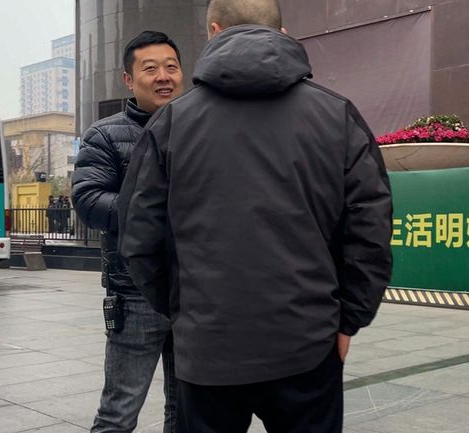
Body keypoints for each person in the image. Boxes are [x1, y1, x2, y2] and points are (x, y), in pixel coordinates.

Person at [117, 1, 393, 432]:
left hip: (208, 350)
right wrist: (348, 320)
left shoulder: (172, 124)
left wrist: (186, 311)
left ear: (213, 30)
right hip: (308, 344)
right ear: (281, 31)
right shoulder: (336, 116)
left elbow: (139, 241)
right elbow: (369, 230)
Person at [71, 30, 184, 433]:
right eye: (150, 68)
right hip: (135, 295)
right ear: (128, 79)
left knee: (186, 411)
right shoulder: (105, 134)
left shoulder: (200, 127)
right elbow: (88, 201)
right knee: (119, 412)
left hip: (195, 295)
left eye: (171, 67)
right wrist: (162, 210)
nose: (163, 76)